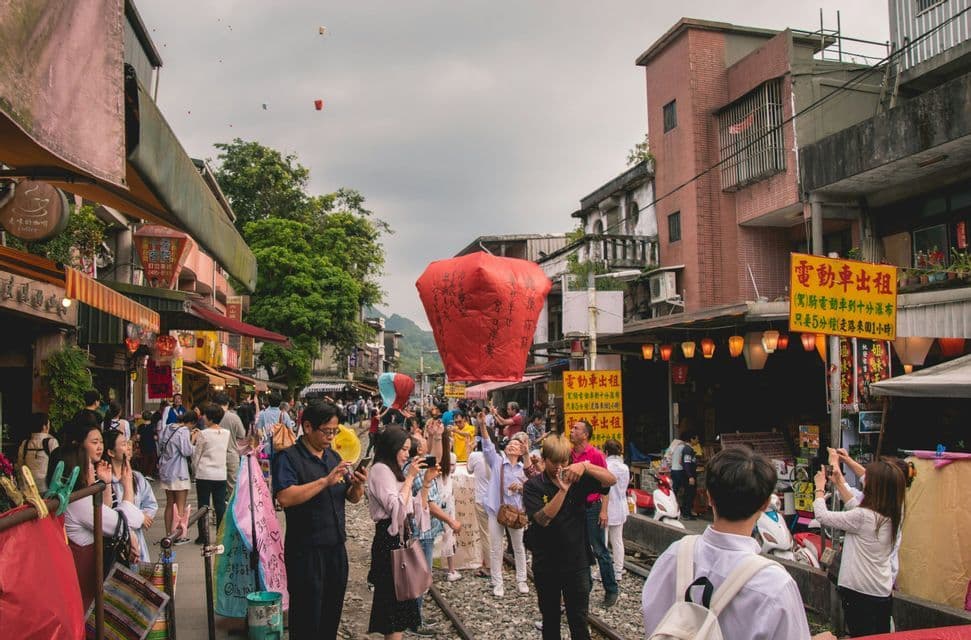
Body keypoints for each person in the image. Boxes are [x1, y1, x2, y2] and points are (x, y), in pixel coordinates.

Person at [642, 447, 835, 640]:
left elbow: (654, 621)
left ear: (709, 497)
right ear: (765, 503)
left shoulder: (675, 554)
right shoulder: (774, 584)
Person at [273, 401, 367, 640]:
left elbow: (351, 498)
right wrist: (324, 481)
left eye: (335, 431)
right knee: (306, 616)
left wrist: (358, 486)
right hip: (306, 551)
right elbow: (285, 497)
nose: (331, 437)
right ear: (307, 427)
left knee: (330, 614)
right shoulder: (289, 458)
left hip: (335, 548)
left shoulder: (333, 456)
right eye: (326, 431)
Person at [523, 433, 616, 640]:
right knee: (551, 620)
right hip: (546, 563)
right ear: (544, 459)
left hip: (577, 562)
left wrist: (586, 466)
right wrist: (562, 491)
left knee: (579, 620)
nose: (559, 467)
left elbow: (611, 481)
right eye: (554, 462)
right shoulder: (533, 486)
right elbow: (541, 518)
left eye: (564, 461)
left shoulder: (578, 479)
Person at [52, 421, 143, 610]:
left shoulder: (73, 498)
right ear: (76, 469)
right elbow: (126, 522)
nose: (92, 467)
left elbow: (104, 513)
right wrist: (127, 485)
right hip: (84, 584)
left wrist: (105, 483)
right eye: (88, 465)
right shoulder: (79, 502)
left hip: (77, 581)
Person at [813, 460, 905, 637]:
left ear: (875, 487)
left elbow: (822, 516)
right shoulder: (894, 513)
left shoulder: (863, 517)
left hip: (859, 591)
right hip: (881, 590)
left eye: (867, 478)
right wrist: (839, 482)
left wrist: (819, 488)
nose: (864, 480)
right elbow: (855, 507)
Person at [366, 426, 432, 640]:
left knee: (400, 608)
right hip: (389, 542)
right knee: (393, 610)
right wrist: (411, 478)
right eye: (403, 449)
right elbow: (396, 508)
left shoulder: (393, 470)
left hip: (398, 540)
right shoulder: (380, 470)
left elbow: (410, 508)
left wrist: (427, 482)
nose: (407, 454)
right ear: (391, 447)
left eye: (408, 449)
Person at [475, 409, 528, 597]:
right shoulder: (497, 461)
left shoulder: (524, 469)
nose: (513, 446)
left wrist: (521, 488)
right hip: (496, 510)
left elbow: (532, 487)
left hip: (517, 511)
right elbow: (488, 445)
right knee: (496, 548)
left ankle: (522, 580)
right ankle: (497, 583)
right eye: (511, 444)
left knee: (519, 547)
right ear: (506, 448)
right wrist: (482, 425)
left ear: (522, 451)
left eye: (517, 445)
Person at [569, 419, 618, 607]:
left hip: (593, 506)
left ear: (585, 434)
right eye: (572, 428)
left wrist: (604, 510)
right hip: (575, 508)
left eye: (576, 429)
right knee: (581, 549)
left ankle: (611, 589)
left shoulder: (595, 455)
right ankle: (585, 587)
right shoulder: (570, 454)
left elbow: (606, 483)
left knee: (599, 549)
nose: (572, 431)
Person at [104, 429, 158, 562]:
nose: (129, 447)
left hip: (138, 540)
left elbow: (150, 503)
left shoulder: (137, 477)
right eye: (123, 444)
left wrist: (145, 517)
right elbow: (108, 514)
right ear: (110, 452)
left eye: (128, 443)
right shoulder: (105, 481)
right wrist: (139, 517)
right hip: (115, 543)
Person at [191, 405, 230, 544]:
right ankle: (221, 536)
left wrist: (194, 470)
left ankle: (203, 536)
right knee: (220, 506)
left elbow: (197, 455)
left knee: (203, 506)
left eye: (205, 415)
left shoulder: (203, 433)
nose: (203, 418)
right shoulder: (226, 433)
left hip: (204, 474)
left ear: (211, 418)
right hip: (220, 473)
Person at [158, 408, 196, 544]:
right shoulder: (184, 431)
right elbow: (187, 451)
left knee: (169, 504)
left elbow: (160, 447)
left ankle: (168, 533)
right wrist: (194, 440)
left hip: (166, 470)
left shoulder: (168, 427)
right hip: (179, 471)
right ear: (191, 423)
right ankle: (178, 535)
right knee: (180, 505)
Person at [466, 431, 492, 578]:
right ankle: (495, 563)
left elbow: (469, 470)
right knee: (496, 534)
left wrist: (470, 450)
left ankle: (489, 566)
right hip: (497, 500)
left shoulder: (475, 456)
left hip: (481, 499)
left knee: (486, 534)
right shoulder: (499, 454)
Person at [603, 439, 630, 578]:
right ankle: (618, 570)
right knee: (618, 540)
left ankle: (604, 572)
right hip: (620, 505)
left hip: (606, 506)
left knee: (603, 541)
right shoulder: (624, 468)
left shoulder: (605, 466)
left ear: (606, 452)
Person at [213, 392, 245, 497]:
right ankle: (234, 510)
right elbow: (242, 434)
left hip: (215, 455)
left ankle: (217, 511)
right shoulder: (234, 417)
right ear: (227, 403)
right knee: (233, 487)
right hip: (231, 454)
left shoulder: (210, 416)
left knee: (217, 487)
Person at [17, 412, 58, 493]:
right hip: (47, 488)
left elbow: (20, 465)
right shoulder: (52, 442)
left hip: (28, 489)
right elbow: (58, 466)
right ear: (44, 427)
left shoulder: (25, 443)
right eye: (48, 424)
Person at [680, 431, 700, 519]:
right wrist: (690, 476)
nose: (698, 440)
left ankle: (687, 512)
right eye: (696, 438)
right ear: (692, 439)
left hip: (690, 474)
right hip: (689, 476)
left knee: (690, 493)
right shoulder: (687, 450)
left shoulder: (689, 449)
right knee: (689, 493)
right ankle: (687, 513)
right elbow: (686, 463)